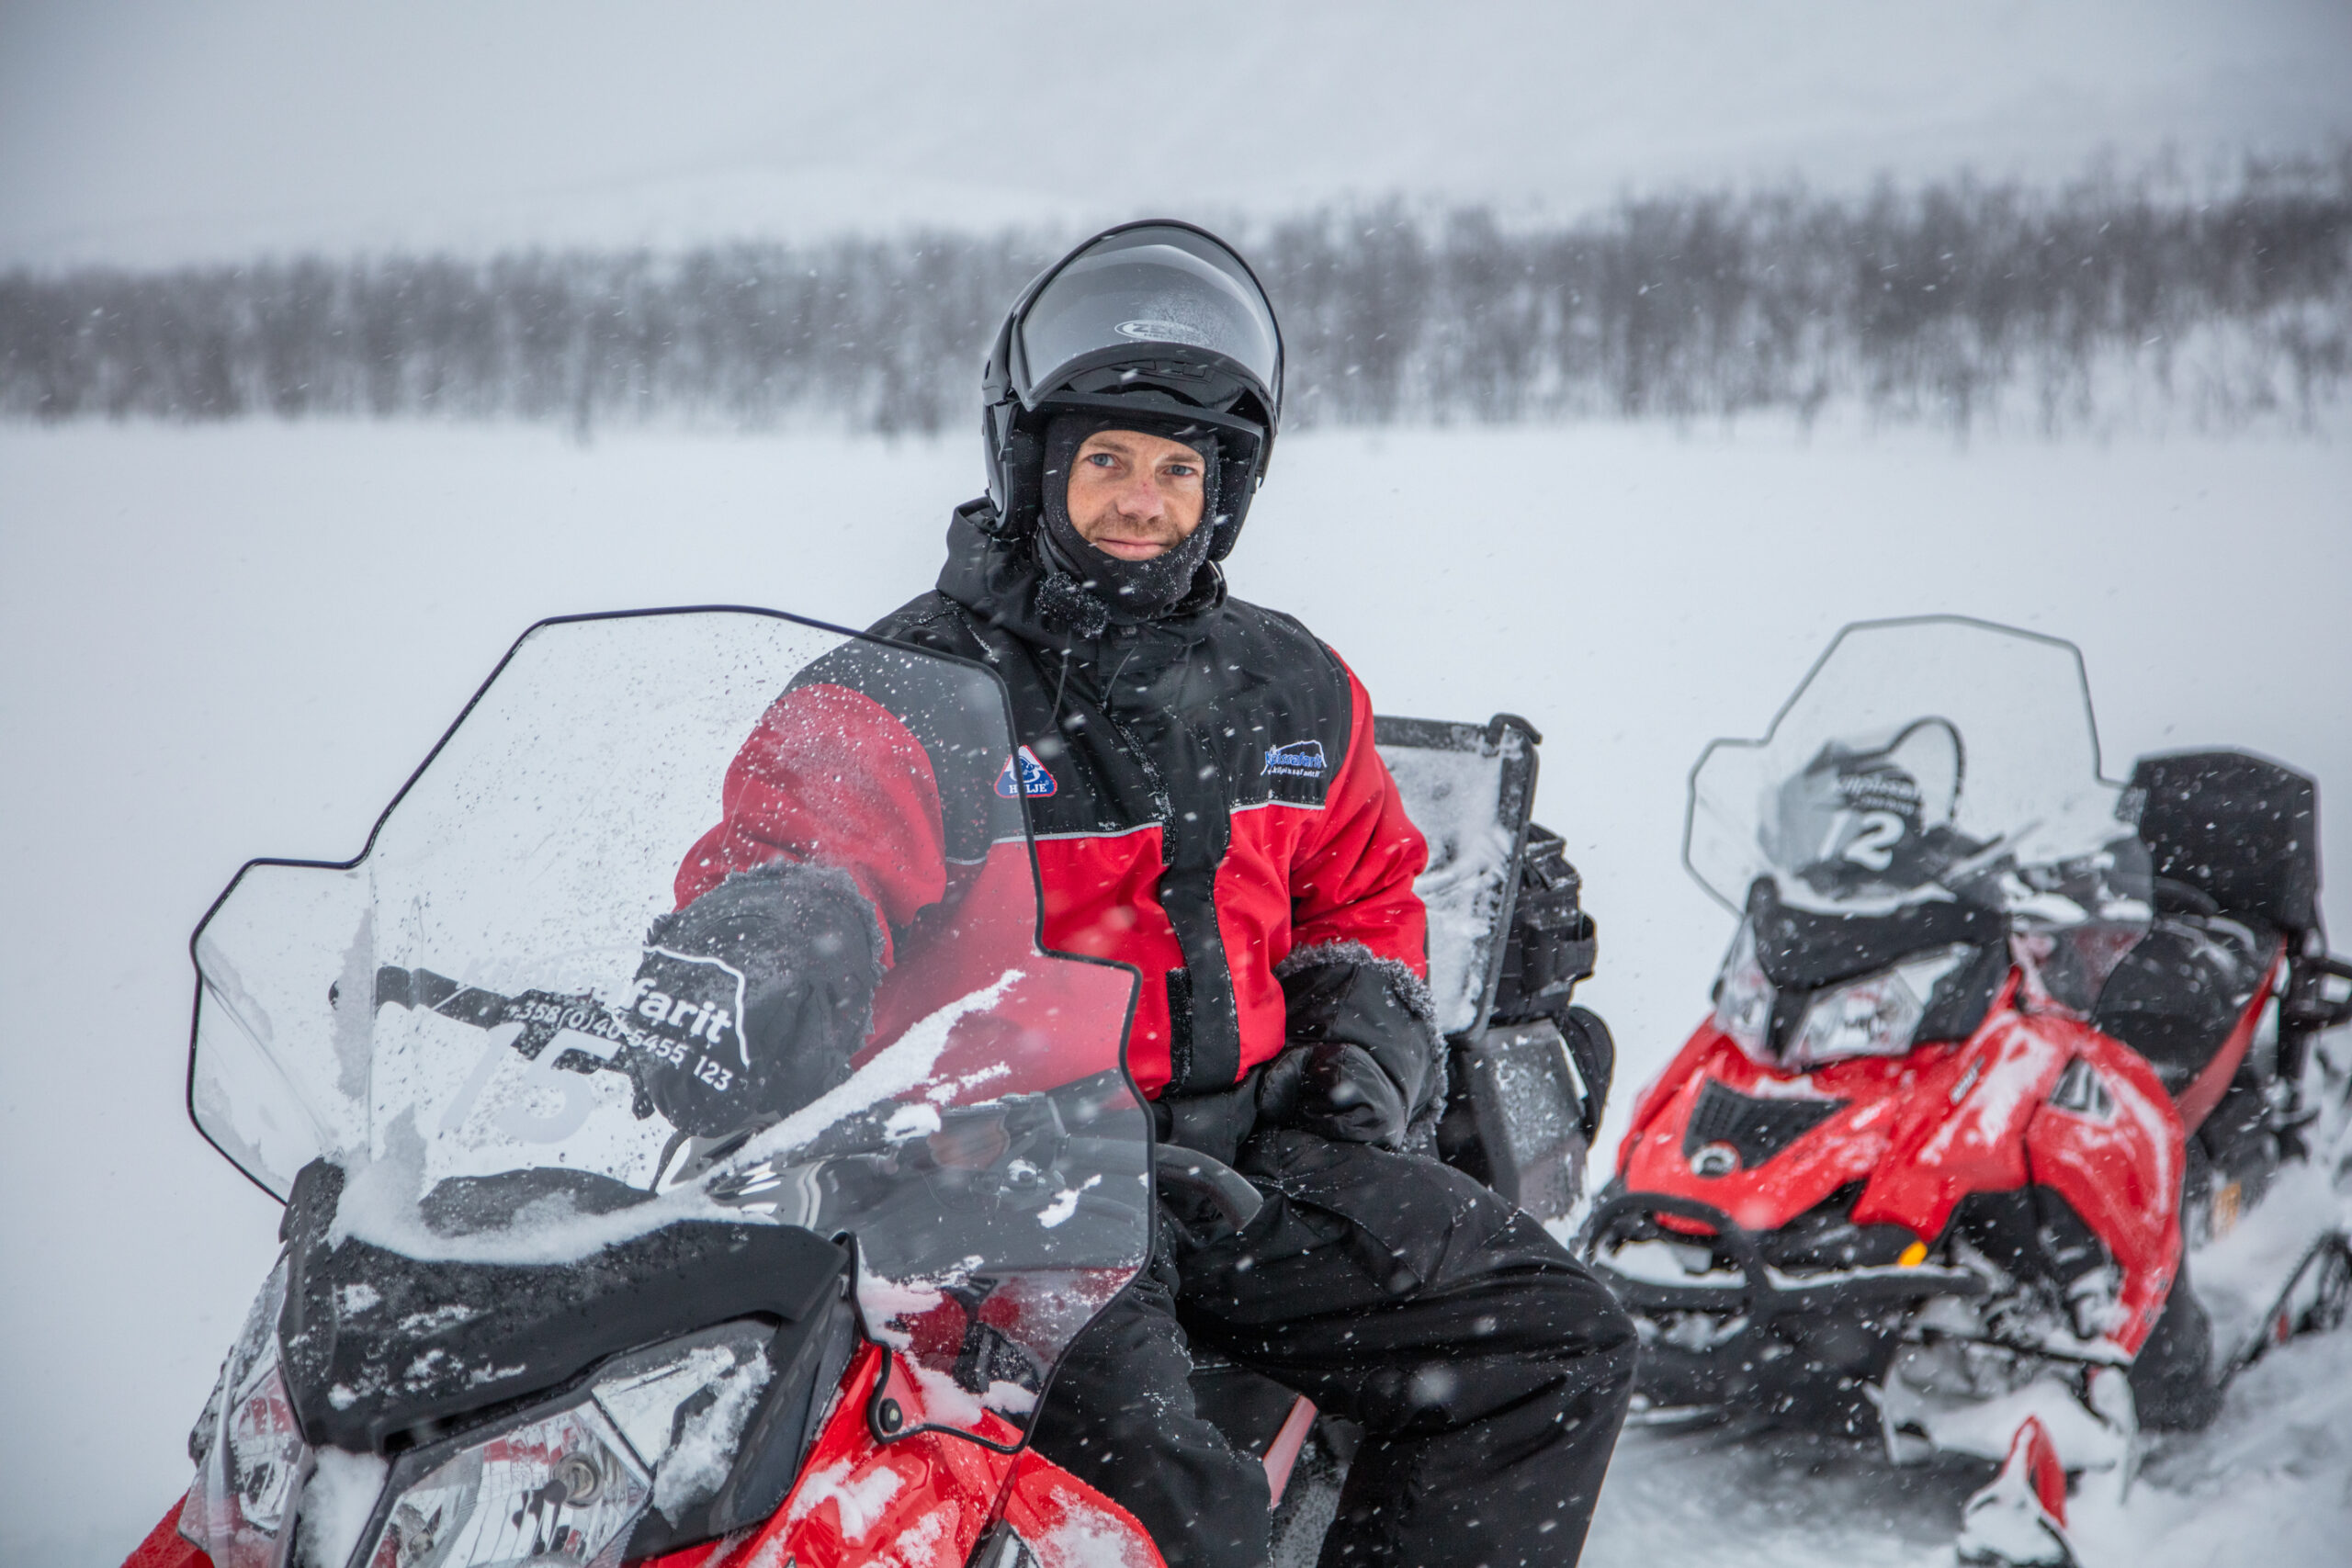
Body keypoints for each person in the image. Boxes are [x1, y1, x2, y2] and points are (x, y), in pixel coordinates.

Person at [652, 220, 1635, 1568]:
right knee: (1177, 1521)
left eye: (1178, 471)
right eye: (1106, 460)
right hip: (1002, 1187)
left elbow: (1369, 894)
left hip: (1240, 1163)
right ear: (1034, 466)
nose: (1140, 499)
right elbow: (799, 848)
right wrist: (769, 943)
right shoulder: (907, 690)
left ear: (1223, 492)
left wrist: (1365, 1051)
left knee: (1553, 1341)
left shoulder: (1294, 687)